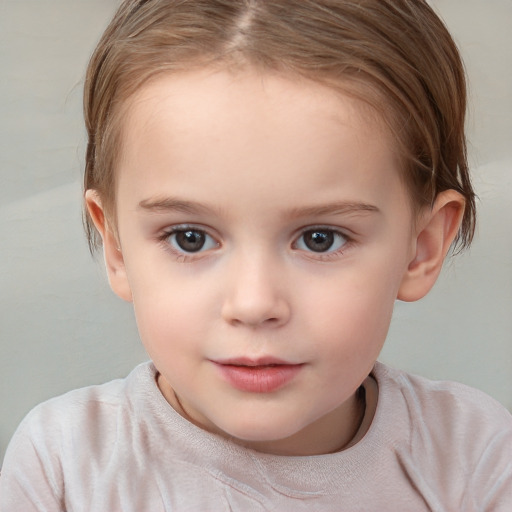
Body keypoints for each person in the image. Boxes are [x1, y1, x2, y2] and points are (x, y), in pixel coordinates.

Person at [1, 0, 511, 510]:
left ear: (420, 247)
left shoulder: (473, 458)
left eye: (320, 239)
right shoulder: (64, 467)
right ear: (116, 246)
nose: (253, 304)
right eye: (190, 238)